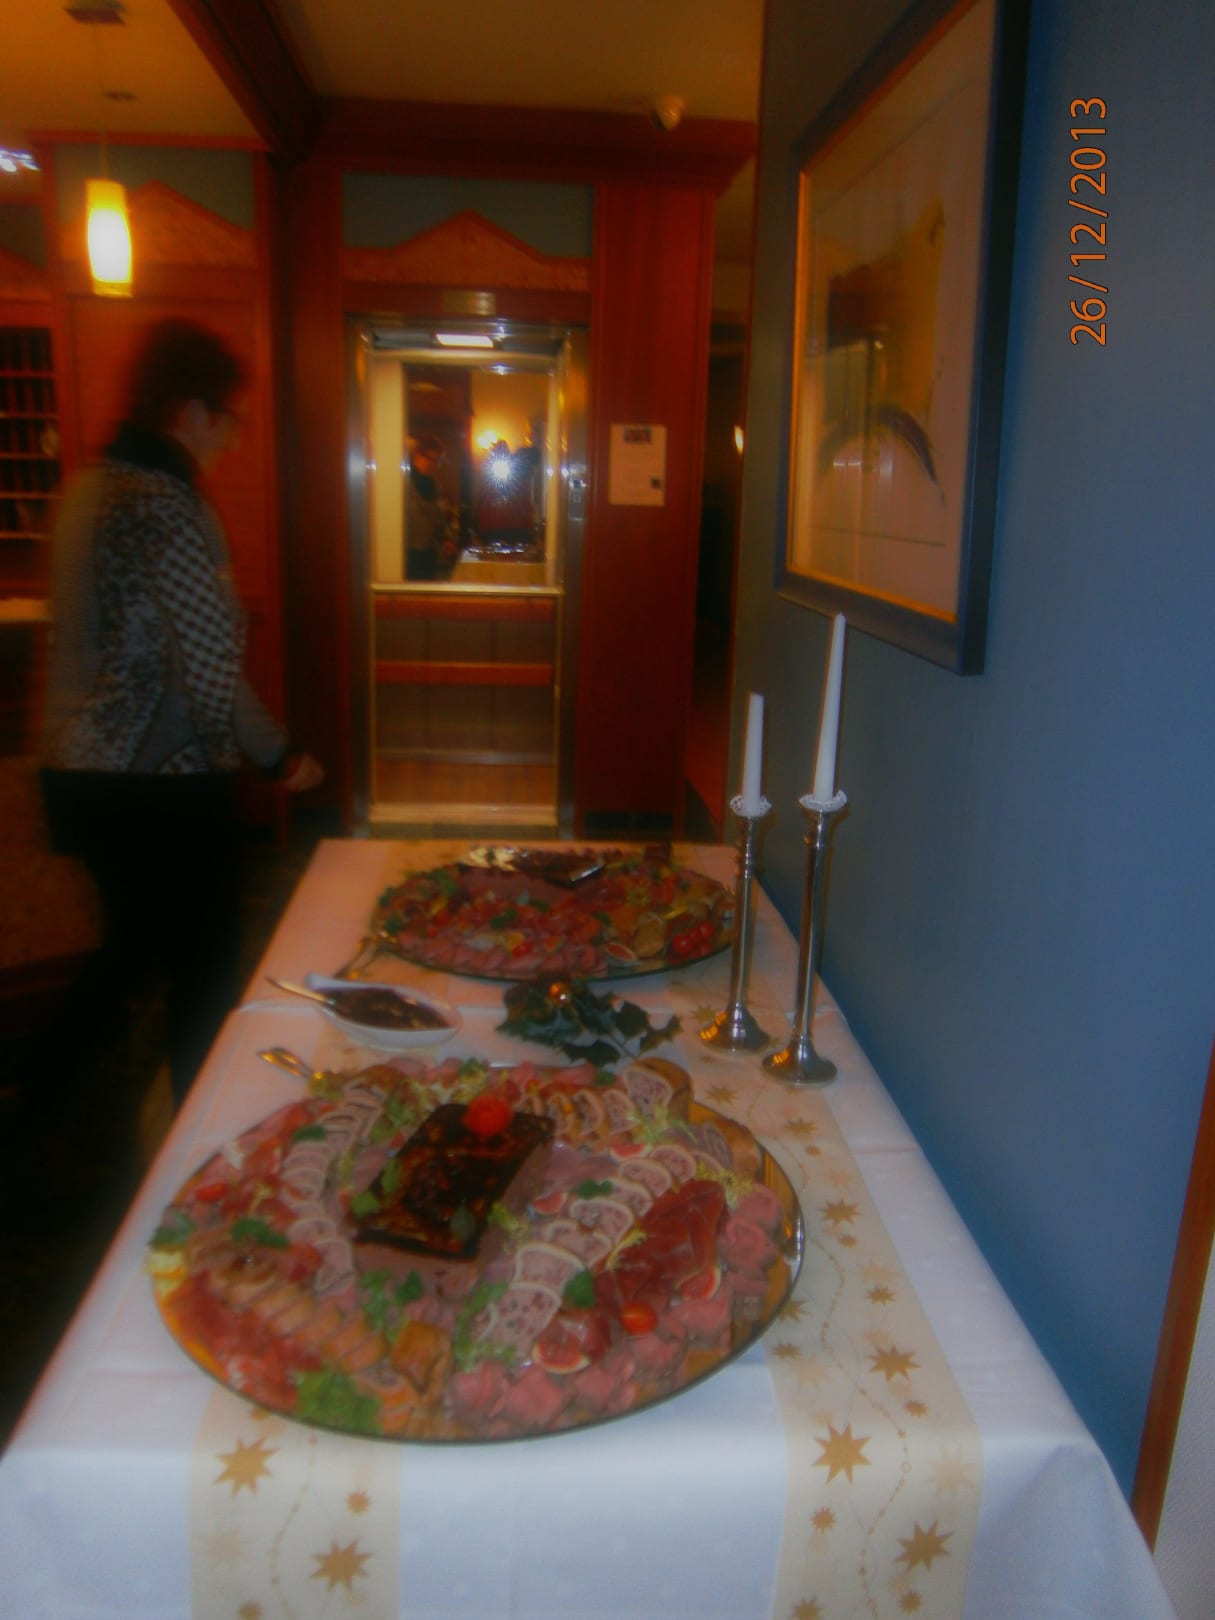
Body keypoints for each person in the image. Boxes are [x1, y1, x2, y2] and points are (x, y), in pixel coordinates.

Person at [39, 317, 324, 1108]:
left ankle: (45, 1103)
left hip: (76, 775)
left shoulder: (83, 492)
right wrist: (278, 755)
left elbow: (75, 648)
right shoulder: (170, 505)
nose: (232, 438)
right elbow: (209, 667)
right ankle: (206, 1125)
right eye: (230, 419)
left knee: (130, 949)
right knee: (202, 965)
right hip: (161, 783)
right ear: (192, 411)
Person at [404, 433, 457, 579]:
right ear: (417, 455)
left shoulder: (435, 486)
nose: (433, 464)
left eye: (438, 460)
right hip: (406, 554)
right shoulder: (403, 484)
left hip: (428, 555)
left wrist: (445, 539)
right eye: (429, 458)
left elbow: (438, 518)